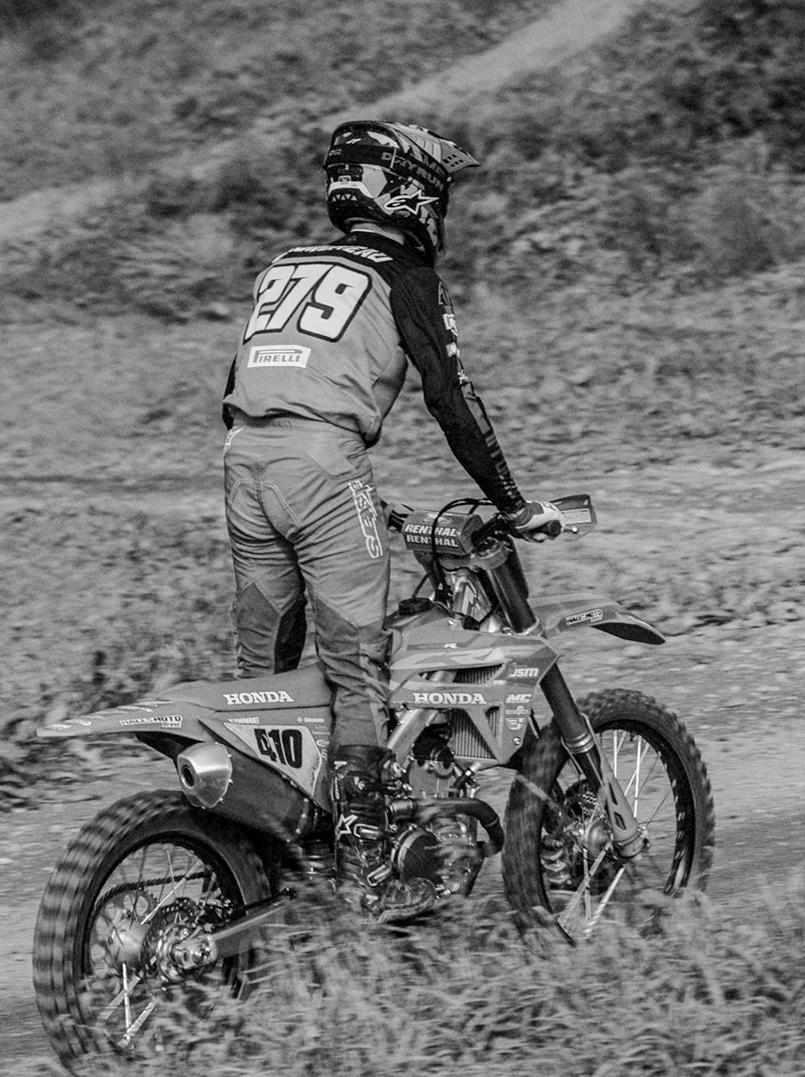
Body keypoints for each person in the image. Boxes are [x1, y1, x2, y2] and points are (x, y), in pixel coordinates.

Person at [219, 119, 561, 904]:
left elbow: (238, 388)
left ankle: (258, 853)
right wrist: (511, 504)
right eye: (438, 196)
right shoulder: (406, 275)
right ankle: (368, 862)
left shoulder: (285, 266)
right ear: (409, 195)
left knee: (263, 670)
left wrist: (325, 486)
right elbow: (453, 400)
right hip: (323, 465)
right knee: (356, 665)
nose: (441, 212)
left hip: (244, 461)